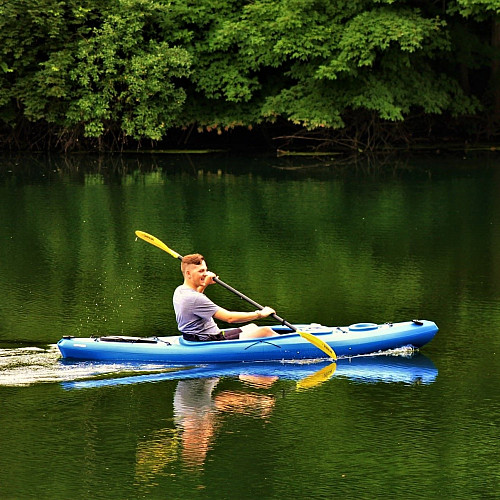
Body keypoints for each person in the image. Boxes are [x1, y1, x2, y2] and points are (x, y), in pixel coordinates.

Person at [173, 253, 277, 341]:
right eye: (201, 271)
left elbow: (194, 305)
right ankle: (291, 351)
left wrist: (205, 284)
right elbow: (229, 318)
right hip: (209, 339)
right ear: (188, 273)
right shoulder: (195, 298)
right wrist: (260, 314)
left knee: (252, 327)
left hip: (197, 337)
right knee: (265, 331)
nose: (205, 274)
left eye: (205, 270)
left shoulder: (180, 291)